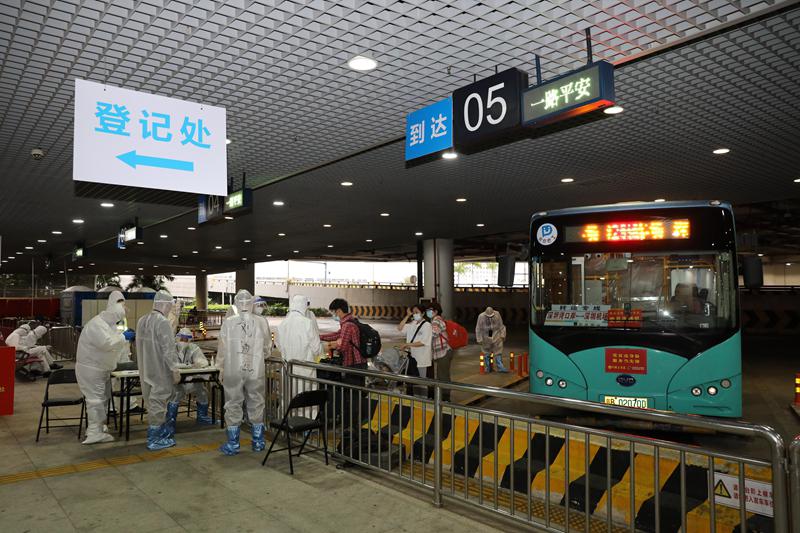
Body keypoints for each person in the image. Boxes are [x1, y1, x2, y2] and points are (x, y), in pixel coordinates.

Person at [218, 289, 271, 455]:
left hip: (233, 369)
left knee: (233, 403)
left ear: (235, 303)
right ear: (251, 303)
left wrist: (220, 367)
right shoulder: (261, 321)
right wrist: (258, 357)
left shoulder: (229, 322)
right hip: (255, 370)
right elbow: (267, 348)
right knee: (257, 402)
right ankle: (258, 442)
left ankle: (233, 444)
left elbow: (222, 348)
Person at [75, 290, 132, 444]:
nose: (125, 309)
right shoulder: (97, 324)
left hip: (100, 369)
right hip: (91, 370)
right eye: (122, 306)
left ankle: (98, 427)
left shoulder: (109, 325)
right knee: (95, 401)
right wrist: (123, 337)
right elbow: (107, 344)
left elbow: (113, 343)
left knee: (102, 399)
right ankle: (95, 432)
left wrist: (122, 337)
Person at [320, 298, 367, 467]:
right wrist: (320, 336)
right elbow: (337, 335)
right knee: (350, 403)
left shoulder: (348, 325)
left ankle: (351, 445)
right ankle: (348, 442)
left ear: (339, 310)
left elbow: (343, 346)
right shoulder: (349, 323)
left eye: (334, 312)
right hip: (355, 367)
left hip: (354, 367)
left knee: (351, 405)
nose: (334, 315)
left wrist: (333, 345)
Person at [137, 290, 181, 451]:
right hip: (159, 370)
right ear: (165, 304)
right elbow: (168, 348)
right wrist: (174, 368)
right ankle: (154, 439)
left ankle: (159, 434)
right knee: (158, 403)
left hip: (146, 368)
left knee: (152, 402)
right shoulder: (162, 322)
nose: (171, 309)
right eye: (170, 306)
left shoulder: (142, 320)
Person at [277, 295, 322, 416]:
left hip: (288, 368)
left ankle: (287, 420)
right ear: (304, 306)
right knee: (306, 398)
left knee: (288, 395)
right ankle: (306, 422)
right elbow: (317, 348)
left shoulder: (282, 324)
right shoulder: (307, 323)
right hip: (305, 369)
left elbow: (278, 345)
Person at [166, 328, 213, 428]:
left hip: (190, 379)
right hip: (174, 380)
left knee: (203, 392)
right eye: (181, 339)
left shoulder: (193, 348)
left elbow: (203, 361)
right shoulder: (171, 349)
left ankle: (202, 417)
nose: (183, 341)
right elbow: (169, 363)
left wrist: (198, 363)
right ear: (177, 338)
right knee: (176, 393)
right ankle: (170, 421)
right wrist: (187, 366)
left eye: (186, 339)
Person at [397, 304, 433, 397]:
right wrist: (407, 315)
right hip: (412, 357)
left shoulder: (427, 325)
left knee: (421, 381)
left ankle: (423, 400)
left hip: (421, 358)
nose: (415, 314)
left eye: (417, 312)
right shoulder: (412, 324)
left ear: (423, 313)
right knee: (413, 381)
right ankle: (416, 399)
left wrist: (407, 345)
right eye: (413, 312)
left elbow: (423, 342)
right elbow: (400, 328)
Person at [428, 302, 452, 401]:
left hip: (443, 352)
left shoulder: (436, 321)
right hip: (443, 351)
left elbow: (432, 334)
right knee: (442, 375)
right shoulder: (437, 320)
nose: (428, 312)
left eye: (430, 310)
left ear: (436, 311)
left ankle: (445, 398)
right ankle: (443, 396)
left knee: (443, 376)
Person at [476, 307, 507, 372]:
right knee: (486, 352)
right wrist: (479, 339)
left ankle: (500, 367)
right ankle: (488, 367)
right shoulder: (481, 316)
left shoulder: (497, 314)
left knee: (498, 351)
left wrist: (502, 335)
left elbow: (501, 326)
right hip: (485, 336)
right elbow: (478, 328)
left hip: (496, 335)